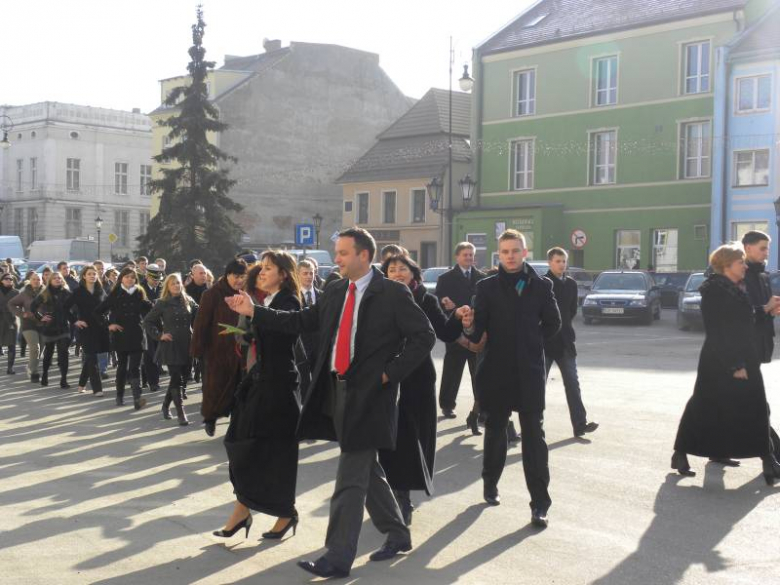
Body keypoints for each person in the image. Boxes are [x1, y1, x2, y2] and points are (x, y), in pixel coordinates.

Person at [226, 227, 437, 579]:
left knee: (350, 477)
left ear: (363, 255)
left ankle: (337, 556)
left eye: (342, 253)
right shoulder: (337, 290)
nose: (335, 259)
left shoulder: (392, 293)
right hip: (338, 392)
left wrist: (389, 374)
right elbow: (301, 321)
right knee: (367, 469)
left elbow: (424, 336)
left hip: (372, 397)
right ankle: (398, 533)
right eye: (336, 252)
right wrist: (255, 311)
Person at [463, 229, 561, 528]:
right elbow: (477, 332)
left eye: (515, 251)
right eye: (505, 251)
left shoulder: (541, 285)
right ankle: (490, 483)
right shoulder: (487, 287)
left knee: (534, 436)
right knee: (495, 431)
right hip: (496, 370)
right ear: (499, 254)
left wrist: (531, 341)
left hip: (529, 371)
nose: (510, 256)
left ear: (525, 252)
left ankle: (540, 503)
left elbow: (554, 323)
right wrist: (469, 325)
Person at [672, 244, 780, 484]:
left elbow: (742, 319)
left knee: (746, 408)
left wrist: (766, 309)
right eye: (740, 262)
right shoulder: (714, 291)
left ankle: (765, 459)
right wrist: (735, 364)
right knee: (707, 408)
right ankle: (681, 454)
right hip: (722, 360)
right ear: (726, 265)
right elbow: (718, 331)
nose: (744, 266)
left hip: (743, 355)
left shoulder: (733, 288)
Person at [216, 250, 303, 542]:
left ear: (283, 274)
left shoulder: (288, 301)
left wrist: (253, 313)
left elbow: (285, 332)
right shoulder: (268, 300)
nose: (262, 272)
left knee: (272, 451)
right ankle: (244, 510)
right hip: (261, 380)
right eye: (261, 267)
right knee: (242, 442)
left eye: (268, 268)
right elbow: (265, 336)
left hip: (278, 386)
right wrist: (247, 321)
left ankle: (282, 513)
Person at [380, 254, 465, 525]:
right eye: (391, 270)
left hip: (418, 377)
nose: (397, 273)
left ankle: (404, 496)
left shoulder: (426, 300)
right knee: (390, 436)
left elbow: (446, 333)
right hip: (387, 375)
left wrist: (457, 317)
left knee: (413, 436)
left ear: (413, 273)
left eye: (402, 269)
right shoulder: (379, 299)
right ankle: (394, 491)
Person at [544, 247, 598, 437]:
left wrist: (564, 325)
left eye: (564, 261)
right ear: (550, 262)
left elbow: (572, 311)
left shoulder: (571, 284)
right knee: (537, 387)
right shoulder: (543, 283)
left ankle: (580, 425)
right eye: (558, 261)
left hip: (566, 342)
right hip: (544, 342)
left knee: (573, 384)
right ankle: (533, 427)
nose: (562, 265)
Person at [191, 260, 246, 436]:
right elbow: (201, 324)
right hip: (217, 351)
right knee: (215, 388)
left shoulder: (246, 294)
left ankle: (236, 427)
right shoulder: (212, 294)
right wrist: (197, 350)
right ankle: (210, 418)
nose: (240, 280)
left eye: (243, 277)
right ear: (228, 275)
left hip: (241, 351)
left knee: (239, 390)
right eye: (236, 276)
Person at [435, 242, 486, 429]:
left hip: (475, 331)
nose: (469, 258)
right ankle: (447, 405)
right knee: (452, 369)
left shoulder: (482, 278)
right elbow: (438, 300)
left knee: (478, 371)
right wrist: (445, 303)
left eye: (471, 254)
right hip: (455, 330)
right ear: (457, 257)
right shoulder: (446, 278)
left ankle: (480, 408)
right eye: (465, 254)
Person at [741, 231, 780, 462]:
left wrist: (772, 310)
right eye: (762, 248)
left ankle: (716, 450)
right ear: (747, 247)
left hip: (759, 344)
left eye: (768, 248)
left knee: (725, 401)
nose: (767, 253)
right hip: (742, 347)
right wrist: (765, 308)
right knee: (757, 403)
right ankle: (771, 453)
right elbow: (739, 314)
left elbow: (763, 310)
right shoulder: (738, 275)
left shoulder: (762, 276)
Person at [94, 267, 153, 409]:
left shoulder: (139, 292)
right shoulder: (115, 294)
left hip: (137, 334)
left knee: (135, 367)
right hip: (121, 334)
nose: (130, 279)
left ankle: (137, 397)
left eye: (132, 277)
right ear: (121, 278)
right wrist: (109, 325)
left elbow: (151, 309)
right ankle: (119, 396)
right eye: (127, 277)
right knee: (122, 367)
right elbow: (97, 312)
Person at [143, 273, 197, 426]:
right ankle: (181, 413)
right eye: (173, 283)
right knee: (176, 378)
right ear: (167, 286)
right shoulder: (163, 303)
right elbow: (148, 321)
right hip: (171, 344)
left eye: (178, 283)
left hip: (187, 343)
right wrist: (159, 335)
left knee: (181, 378)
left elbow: (201, 315)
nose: (176, 285)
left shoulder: (189, 300)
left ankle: (165, 405)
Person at [64, 265, 110, 396]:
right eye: (89, 274)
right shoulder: (78, 291)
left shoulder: (100, 290)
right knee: (91, 357)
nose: (92, 276)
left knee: (91, 357)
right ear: (84, 276)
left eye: (94, 274)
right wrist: (75, 321)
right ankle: (97, 389)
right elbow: (65, 308)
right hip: (85, 328)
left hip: (100, 327)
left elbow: (107, 306)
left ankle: (81, 384)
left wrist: (105, 316)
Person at [31, 272, 73, 388]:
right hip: (49, 327)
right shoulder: (45, 293)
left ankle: (64, 380)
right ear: (50, 280)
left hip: (63, 328)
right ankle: (45, 375)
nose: (57, 279)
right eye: (54, 278)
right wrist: (41, 317)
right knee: (48, 353)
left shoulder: (66, 293)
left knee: (63, 354)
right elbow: (33, 306)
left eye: (59, 278)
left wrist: (74, 319)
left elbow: (74, 307)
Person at [9, 272, 43, 381]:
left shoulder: (46, 292)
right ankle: (34, 373)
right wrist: (21, 313)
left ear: (42, 280)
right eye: (34, 279)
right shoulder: (24, 293)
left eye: (38, 279)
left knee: (40, 351)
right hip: (29, 324)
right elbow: (11, 304)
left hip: (43, 324)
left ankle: (30, 366)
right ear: (30, 280)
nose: (36, 281)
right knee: (35, 348)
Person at [297, 259, 322, 401]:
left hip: (320, 348)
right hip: (301, 348)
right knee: (304, 385)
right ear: (298, 275)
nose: (309, 276)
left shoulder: (323, 296)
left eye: (311, 273)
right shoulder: (294, 297)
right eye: (305, 273)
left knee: (319, 386)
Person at [140, 263, 164, 392]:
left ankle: (146, 378)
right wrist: (156, 302)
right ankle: (153, 382)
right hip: (145, 324)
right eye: (154, 279)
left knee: (157, 353)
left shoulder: (162, 287)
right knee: (150, 353)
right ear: (147, 276)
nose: (156, 281)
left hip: (160, 324)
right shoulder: (140, 288)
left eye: (158, 279)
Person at [0, 273, 20, 374]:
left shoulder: (16, 292)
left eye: (11, 279)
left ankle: (10, 368)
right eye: (6, 279)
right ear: (2, 280)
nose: (9, 280)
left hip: (11, 321)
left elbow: (20, 306)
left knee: (11, 345)